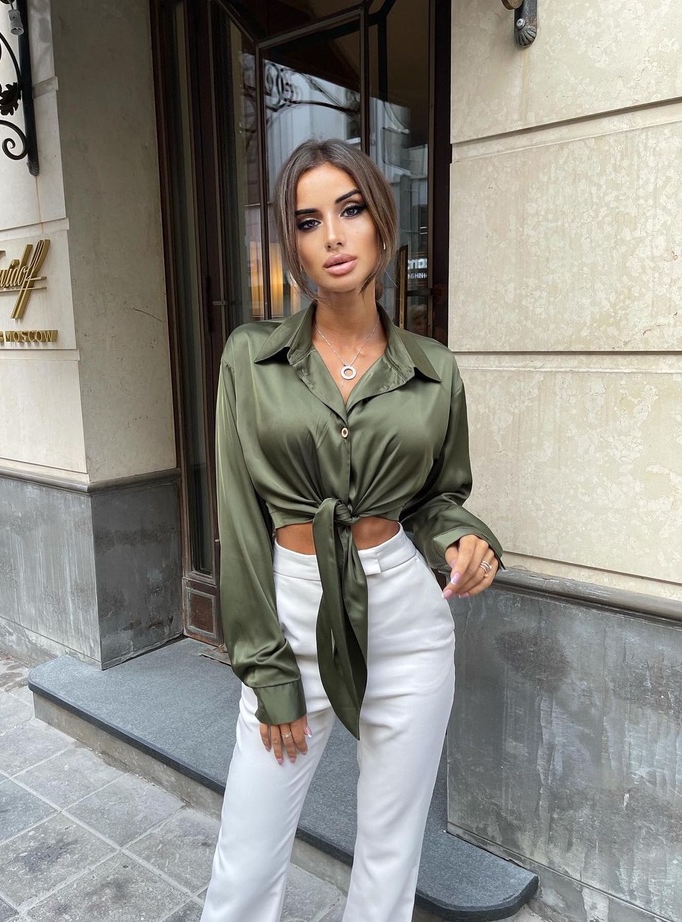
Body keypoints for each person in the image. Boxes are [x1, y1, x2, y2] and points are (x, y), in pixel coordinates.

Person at [200, 138, 502, 922]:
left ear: (382, 224)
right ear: (293, 245)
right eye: (309, 221)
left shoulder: (433, 370)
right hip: (292, 612)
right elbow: (239, 516)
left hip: (406, 621)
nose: (333, 235)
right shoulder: (250, 359)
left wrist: (464, 538)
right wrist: (266, 669)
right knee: (244, 865)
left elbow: (438, 497)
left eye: (351, 209)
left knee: (389, 858)